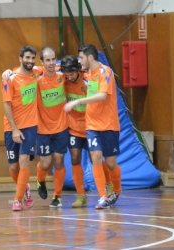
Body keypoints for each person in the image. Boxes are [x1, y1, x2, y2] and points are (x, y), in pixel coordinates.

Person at [64, 44, 122, 209]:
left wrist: (78, 101)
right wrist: (10, 71)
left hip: (109, 124)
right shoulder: (85, 73)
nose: (79, 61)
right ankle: (102, 196)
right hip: (92, 125)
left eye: (81, 58)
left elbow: (103, 96)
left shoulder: (105, 72)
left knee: (110, 162)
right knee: (95, 158)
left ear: (90, 57)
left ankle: (116, 189)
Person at [1, 45, 42, 211]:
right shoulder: (9, 79)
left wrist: (81, 66)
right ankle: (24, 188)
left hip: (30, 125)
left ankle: (17, 200)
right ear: (20, 59)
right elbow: (6, 104)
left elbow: (54, 66)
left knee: (24, 160)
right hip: (11, 127)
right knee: (13, 166)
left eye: (33, 58)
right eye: (27, 58)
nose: (30, 61)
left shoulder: (37, 72)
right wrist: (14, 129)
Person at [35, 46, 68, 208]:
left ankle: (57, 196)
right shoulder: (37, 79)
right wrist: (7, 72)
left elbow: (79, 71)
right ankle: (40, 180)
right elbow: (19, 72)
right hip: (43, 130)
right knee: (46, 163)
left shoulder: (63, 76)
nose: (51, 63)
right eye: (47, 60)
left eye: (53, 59)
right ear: (42, 62)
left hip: (61, 127)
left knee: (59, 161)